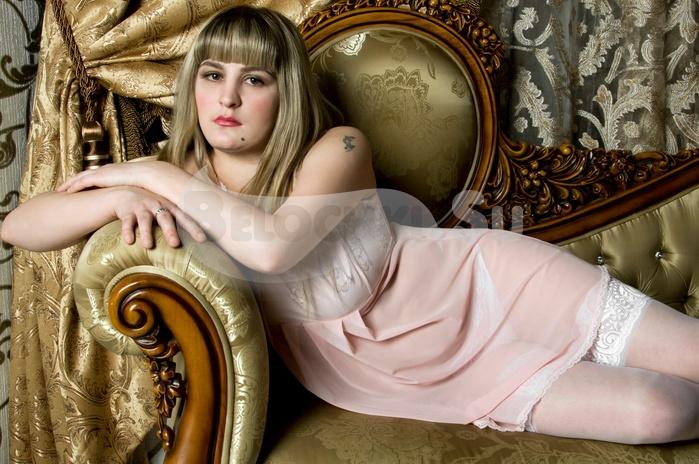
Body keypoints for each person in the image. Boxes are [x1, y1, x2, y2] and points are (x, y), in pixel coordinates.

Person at [3, 5, 699, 446]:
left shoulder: (336, 148)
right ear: (192, 87)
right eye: (212, 75)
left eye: (255, 79)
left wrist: (149, 175)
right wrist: (117, 197)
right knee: (659, 414)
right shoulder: (184, 177)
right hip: (395, 367)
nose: (228, 98)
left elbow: (272, 249)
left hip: (492, 285)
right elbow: (20, 227)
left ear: (286, 91)